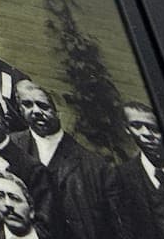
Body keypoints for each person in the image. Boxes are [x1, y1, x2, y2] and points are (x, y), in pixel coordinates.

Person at [15, 80, 111, 239]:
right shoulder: (10, 146)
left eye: (43, 106)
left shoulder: (92, 165)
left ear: (59, 112)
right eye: (27, 105)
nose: (36, 111)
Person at [107, 102, 164, 239]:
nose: (146, 134)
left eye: (154, 128)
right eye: (136, 126)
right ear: (127, 129)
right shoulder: (121, 176)